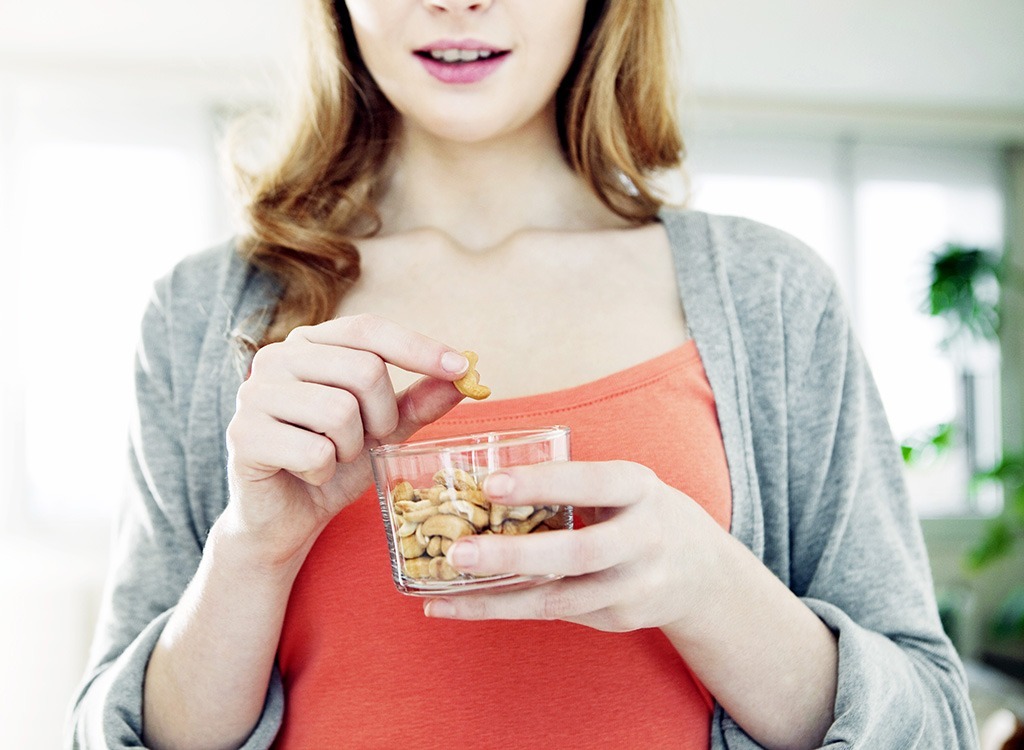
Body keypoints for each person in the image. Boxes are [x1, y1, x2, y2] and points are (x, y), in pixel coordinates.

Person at [68, 0, 979, 748]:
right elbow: (110, 734)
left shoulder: (771, 296)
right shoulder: (201, 311)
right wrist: (252, 549)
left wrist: (709, 583)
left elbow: (934, 725)